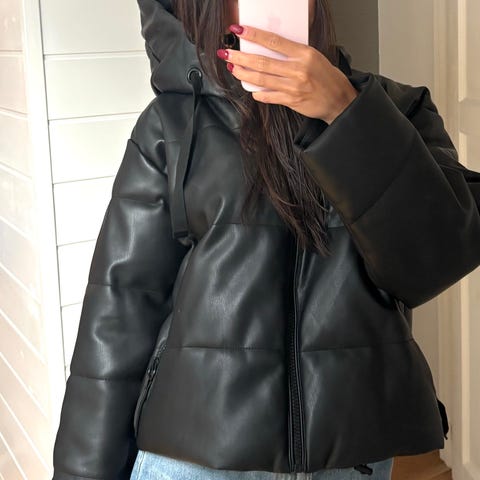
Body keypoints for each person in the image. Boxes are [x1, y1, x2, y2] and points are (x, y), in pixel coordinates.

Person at [51, 0, 480, 479]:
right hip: (196, 459)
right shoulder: (172, 124)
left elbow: (433, 263)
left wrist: (345, 111)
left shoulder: (398, 110)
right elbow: (120, 311)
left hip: (350, 454)